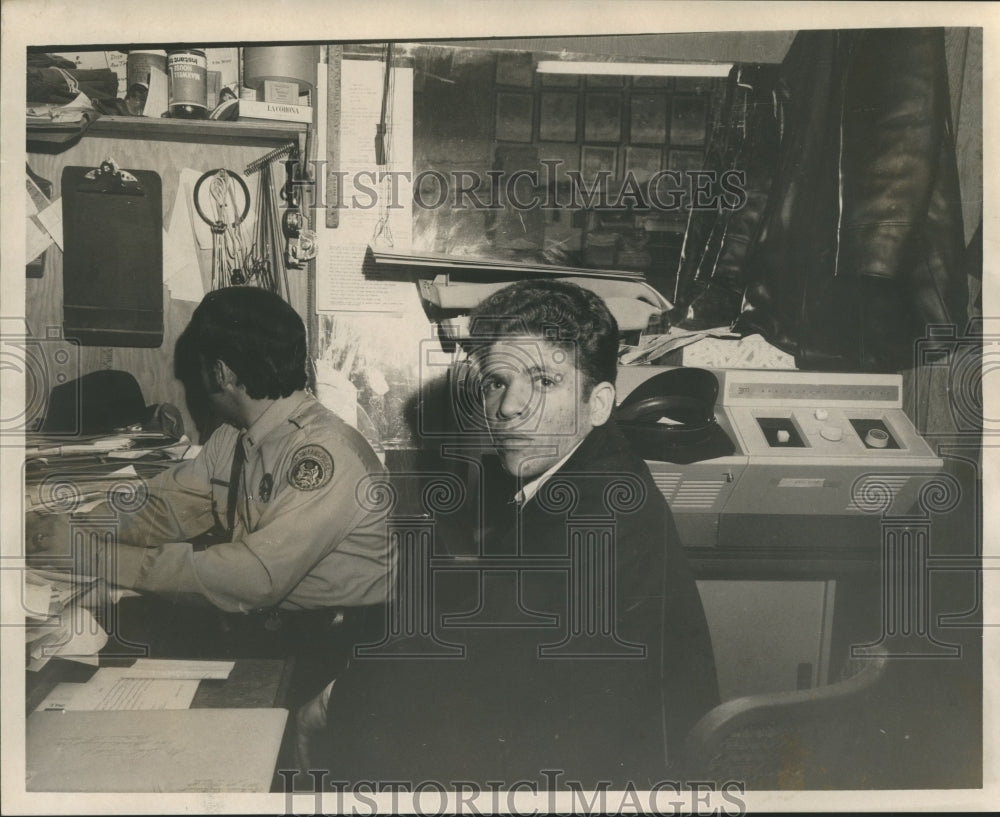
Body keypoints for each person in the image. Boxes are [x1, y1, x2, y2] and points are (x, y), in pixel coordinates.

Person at [304, 279, 718, 790]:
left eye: (543, 381)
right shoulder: (591, 468)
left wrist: (332, 704)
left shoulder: (591, 513)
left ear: (599, 402)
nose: (507, 407)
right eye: (498, 382)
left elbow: (473, 665)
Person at [26, 286, 393, 703]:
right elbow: (164, 507)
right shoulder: (235, 438)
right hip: (271, 630)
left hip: (334, 658)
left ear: (220, 372)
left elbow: (252, 578)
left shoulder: (323, 455)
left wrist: (93, 555)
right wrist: (63, 528)